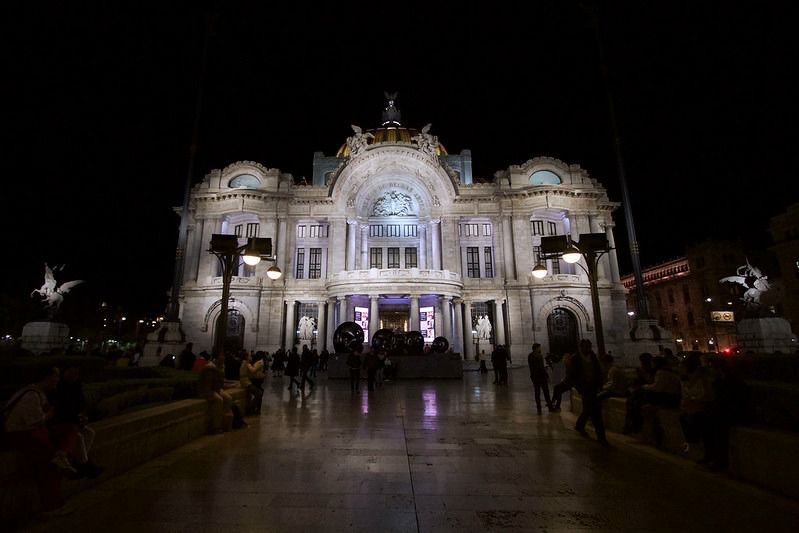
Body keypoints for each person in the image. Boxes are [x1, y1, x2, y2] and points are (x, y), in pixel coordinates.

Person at [3, 367, 78, 511]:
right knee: (49, 466)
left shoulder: (38, 394)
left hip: (33, 432)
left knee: (70, 429)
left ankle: (61, 454)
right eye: (55, 375)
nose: (58, 379)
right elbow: (34, 421)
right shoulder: (31, 395)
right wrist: (49, 414)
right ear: (46, 377)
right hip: (22, 435)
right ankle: (53, 506)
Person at [48, 363, 104, 479]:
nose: (73, 376)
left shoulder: (76, 387)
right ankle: (84, 463)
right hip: (58, 423)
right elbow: (59, 410)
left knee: (89, 432)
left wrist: (82, 416)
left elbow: (79, 405)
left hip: (71, 420)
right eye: (71, 373)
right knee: (78, 437)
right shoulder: (57, 389)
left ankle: (79, 462)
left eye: (76, 374)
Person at [570, 339, 608, 446]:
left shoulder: (593, 357)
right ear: (581, 347)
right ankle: (600, 436)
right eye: (586, 346)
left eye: (589, 346)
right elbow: (572, 375)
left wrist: (600, 385)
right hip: (585, 388)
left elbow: (598, 371)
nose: (588, 349)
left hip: (594, 387)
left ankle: (600, 436)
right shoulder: (575, 358)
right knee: (592, 410)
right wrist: (579, 387)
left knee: (593, 410)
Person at [198, 360, 234, 433]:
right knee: (219, 400)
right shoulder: (210, 367)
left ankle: (224, 421)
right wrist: (210, 395)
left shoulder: (220, 367)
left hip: (215, 388)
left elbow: (220, 382)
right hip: (208, 390)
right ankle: (216, 426)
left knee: (228, 398)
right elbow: (207, 383)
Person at [527, 343, 554, 414]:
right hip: (541, 377)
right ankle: (550, 407)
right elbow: (541, 368)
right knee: (546, 392)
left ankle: (539, 408)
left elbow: (531, 366)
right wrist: (547, 376)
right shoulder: (539, 356)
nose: (540, 349)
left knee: (537, 392)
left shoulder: (530, 356)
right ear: (536, 348)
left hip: (534, 376)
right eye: (539, 347)